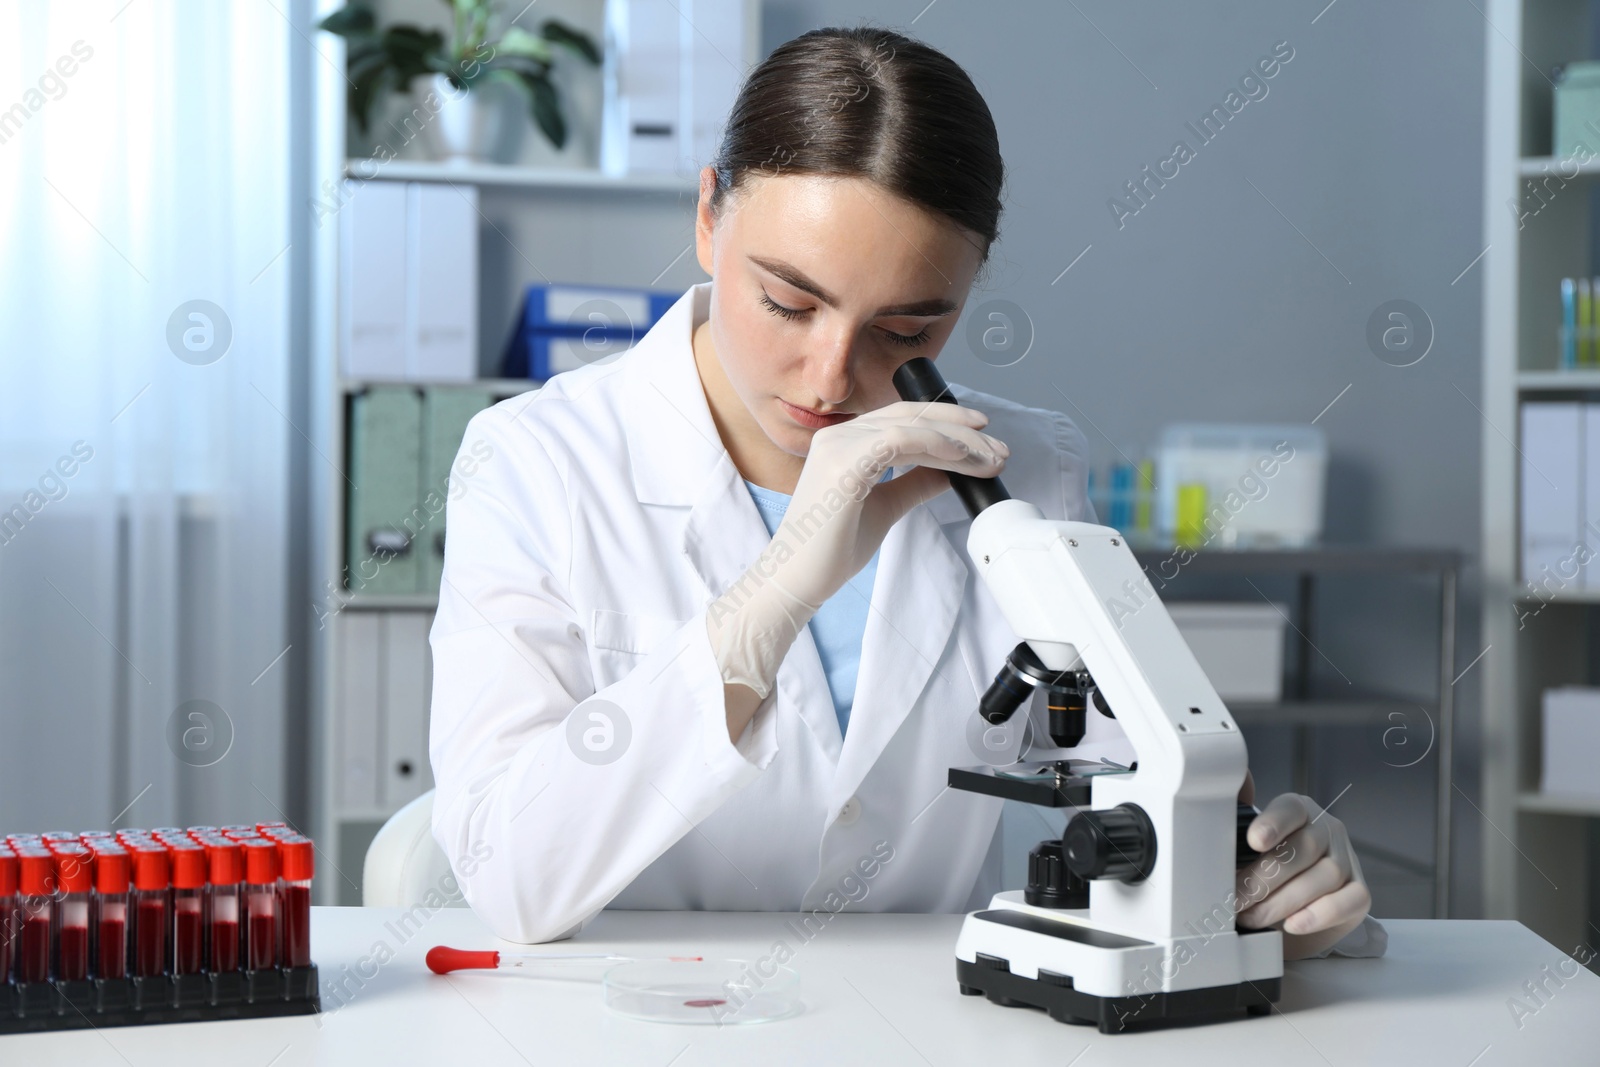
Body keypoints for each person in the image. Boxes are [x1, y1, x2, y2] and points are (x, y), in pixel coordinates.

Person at [428, 25, 1384, 962]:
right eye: (788, 304)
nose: (831, 377)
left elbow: (1145, 774)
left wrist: (1260, 879)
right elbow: (512, 876)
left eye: (907, 332)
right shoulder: (533, 463)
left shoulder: (1027, 467)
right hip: (639, 1022)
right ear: (710, 214)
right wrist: (767, 605)